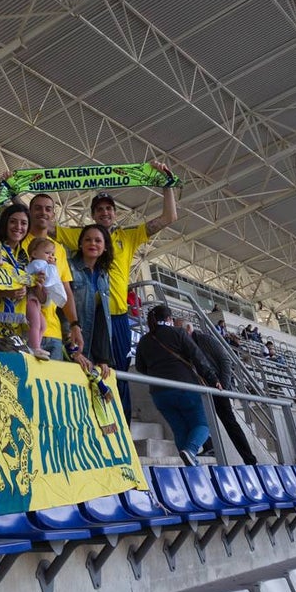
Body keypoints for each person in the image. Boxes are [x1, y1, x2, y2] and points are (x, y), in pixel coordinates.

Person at [56, 165, 178, 421]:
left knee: (118, 372)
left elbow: (168, 218)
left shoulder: (128, 236)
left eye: (109, 208)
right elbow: (42, 226)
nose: (104, 212)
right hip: (87, 316)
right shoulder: (82, 235)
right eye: (99, 209)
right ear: (92, 214)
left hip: (119, 317)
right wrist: (15, 194)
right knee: (83, 367)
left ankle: (122, 423)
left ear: (115, 213)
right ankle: (87, 420)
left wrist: (167, 186)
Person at [135, 304, 218, 467]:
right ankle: (191, 451)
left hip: (159, 393)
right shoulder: (178, 333)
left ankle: (189, 463)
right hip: (185, 387)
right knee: (203, 424)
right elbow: (197, 357)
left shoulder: (144, 340)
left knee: (180, 429)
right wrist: (212, 378)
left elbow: (140, 367)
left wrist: (156, 373)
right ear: (169, 319)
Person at [183, 321, 257, 465]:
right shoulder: (184, 346)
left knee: (230, 424)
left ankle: (249, 459)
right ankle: (209, 447)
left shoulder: (206, 340)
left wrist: (223, 385)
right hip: (200, 389)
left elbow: (225, 360)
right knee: (196, 418)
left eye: (180, 331)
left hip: (217, 388)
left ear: (188, 329)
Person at [24, 194, 83, 361]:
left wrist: (74, 325)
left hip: (54, 333)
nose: (43, 212)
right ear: (30, 211)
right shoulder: (19, 240)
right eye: (38, 208)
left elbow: (66, 290)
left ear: (53, 214)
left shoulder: (59, 249)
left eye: (48, 209)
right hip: (24, 328)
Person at [68, 225, 115, 373]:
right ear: (80, 244)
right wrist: (72, 349)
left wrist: (102, 358)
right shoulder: (69, 267)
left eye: (98, 241)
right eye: (87, 240)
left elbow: (101, 319)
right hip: (70, 347)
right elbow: (61, 309)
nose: (92, 243)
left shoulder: (104, 275)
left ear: (105, 247)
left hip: (90, 355)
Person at [0, 204, 31, 341]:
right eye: (13, 221)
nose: (18, 227)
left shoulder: (26, 257)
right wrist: (6, 293)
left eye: (23, 223)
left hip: (13, 330)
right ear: (5, 223)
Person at [24, 237, 67, 360]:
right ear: (34, 253)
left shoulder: (42, 264)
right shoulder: (38, 263)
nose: (50, 257)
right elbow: (50, 277)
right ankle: (34, 347)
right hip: (30, 299)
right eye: (47, 253)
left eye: (52, 254)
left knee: (42, 325)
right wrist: (53, 266)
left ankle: (36, 345)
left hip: (36, 300)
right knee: (36, 323)